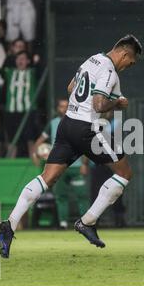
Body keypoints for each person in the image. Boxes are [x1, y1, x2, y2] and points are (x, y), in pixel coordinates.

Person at [0, 34, 142, 258]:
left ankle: (10, 224)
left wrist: (106, 103)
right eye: (130, 63)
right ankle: (88, 221)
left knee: (48, 177)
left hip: (67, 125)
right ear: (124, 54)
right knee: (124, 174)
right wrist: (118, 103)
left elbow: (70, 86)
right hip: (87, 128)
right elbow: (99, 103)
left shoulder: (92, 60)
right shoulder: (110, 71)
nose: (128, 67)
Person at [31, 98, 90, 229]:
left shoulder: (79, 122)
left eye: (66, 106)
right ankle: (63, 224)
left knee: (82, 195)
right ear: (57, 108)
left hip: (76, 166)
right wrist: (35, 154)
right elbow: (39, 141)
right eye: (62, 106)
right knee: (61, 196)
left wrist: (84, 164)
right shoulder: (53, 123)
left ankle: (85, 223)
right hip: (60, 166)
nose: (64, 109)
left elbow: (85, 144)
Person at [2, 50, 38, 158]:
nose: (20, 61)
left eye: (23, 58)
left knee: (30, 138)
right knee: (12, 139)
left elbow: (42, 68)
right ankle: (10, 162)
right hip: (12, 111)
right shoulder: (9, 72)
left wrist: (37, 61)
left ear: (27, 61)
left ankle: (33, 161)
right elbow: (1, 68)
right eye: (18, 58)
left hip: (28, 111)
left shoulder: (32, 72)